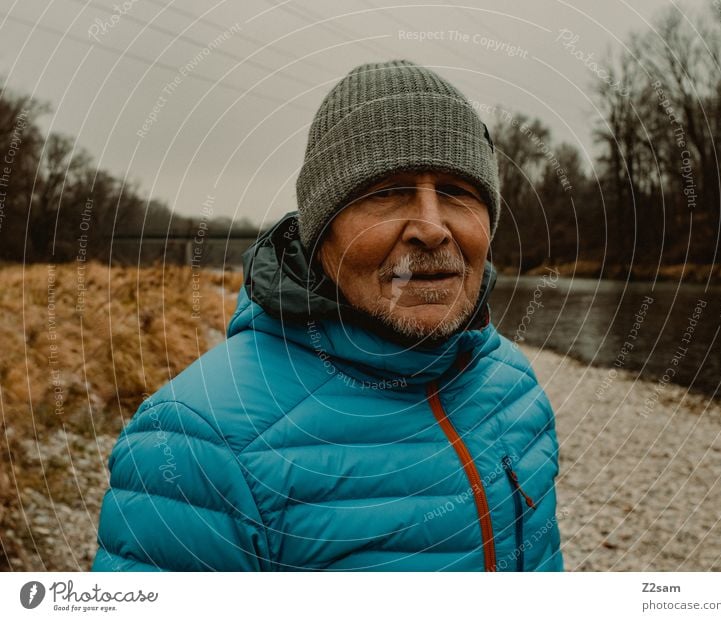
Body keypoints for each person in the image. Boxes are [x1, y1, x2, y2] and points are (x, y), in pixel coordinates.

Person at [92, 59, 563, 571]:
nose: (432, 228)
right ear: (321, 234)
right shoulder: (194, 445)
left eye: (457, 194)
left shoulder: (514, 386)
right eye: (386, 192)